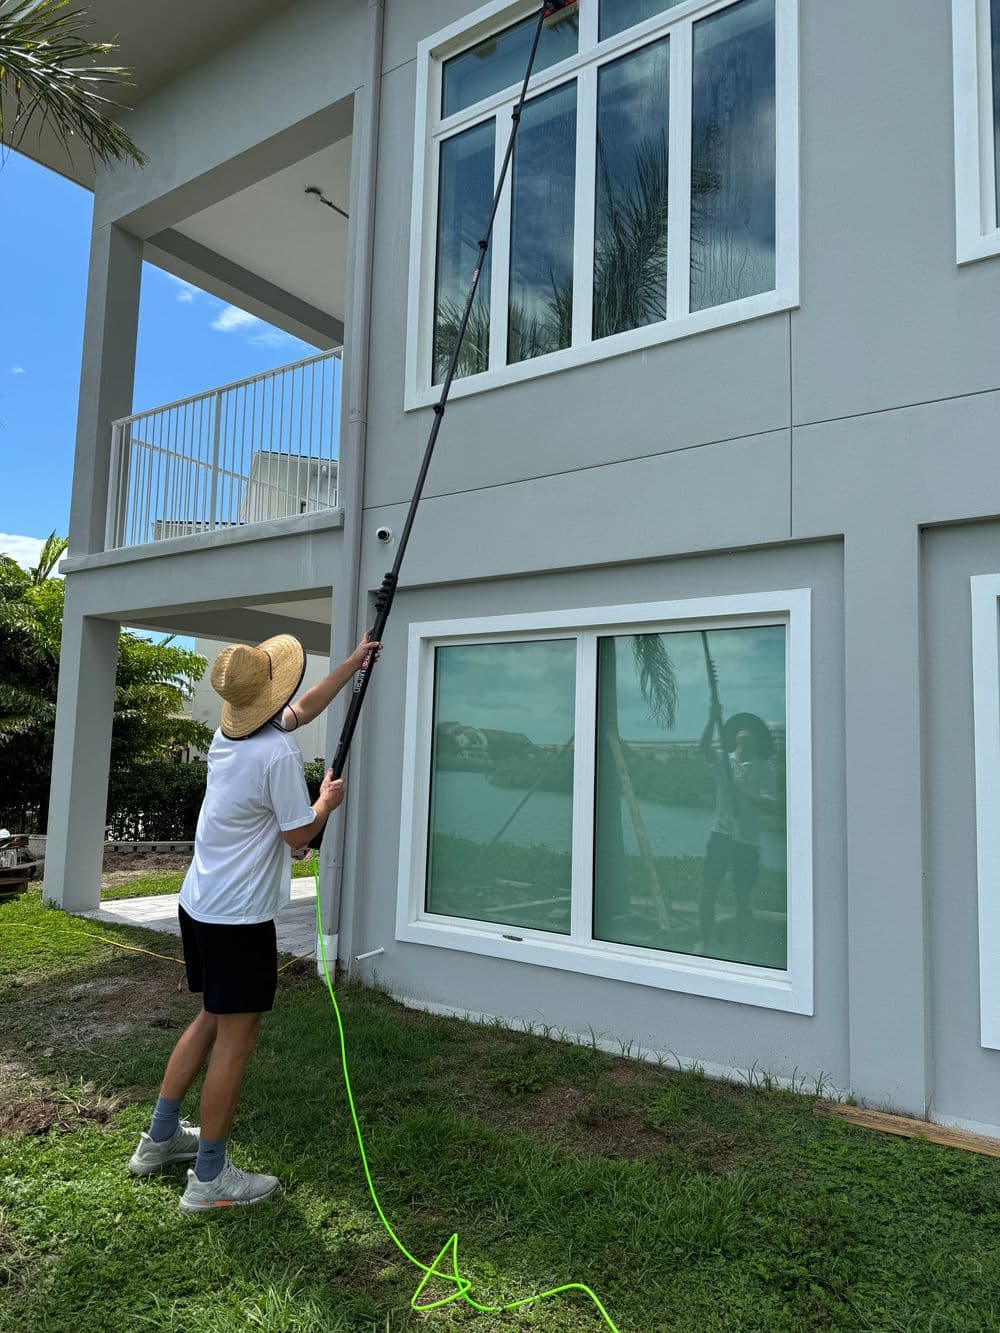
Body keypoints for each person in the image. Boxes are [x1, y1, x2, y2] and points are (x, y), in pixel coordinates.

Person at [127, 628, 379, 1213]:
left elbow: (304, 706)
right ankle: (210, 1177)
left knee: (211, 1017)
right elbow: (299, 837)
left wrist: (353, 663)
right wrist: (326, 802)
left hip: (199, 903)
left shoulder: (232, 735)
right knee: (235, 1043)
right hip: (238, 919)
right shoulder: (276, 753)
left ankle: (159, 1140)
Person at [698, 708, 776, 953]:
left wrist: (741, 794)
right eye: (740, 728)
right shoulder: (724, 759)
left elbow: (769, 803)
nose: (744, 731)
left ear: (756, 739)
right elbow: (704, 749)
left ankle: (742, 948)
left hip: (747, 842)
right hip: (721, 835)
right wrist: (711, 719)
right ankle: (705, 940)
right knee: (709, 890)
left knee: (743, 897)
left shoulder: (764, 768)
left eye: (750, 729)